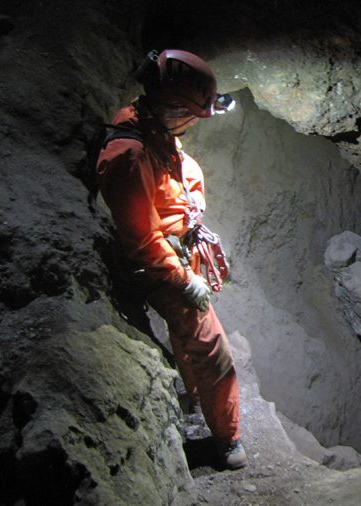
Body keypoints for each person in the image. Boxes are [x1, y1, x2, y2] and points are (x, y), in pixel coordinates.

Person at [96, 49, 246, 470]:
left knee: (186, 337)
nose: (194, 124)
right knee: (212, 348)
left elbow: (178, 164)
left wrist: (192, 200)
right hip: (159, 262)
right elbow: (142, 239)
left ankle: (197, 398)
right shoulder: (128, 155)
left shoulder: (152, 124)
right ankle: (227, 440)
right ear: (173, 108)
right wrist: (183, 280)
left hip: (177, 246)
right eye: (191, 116)